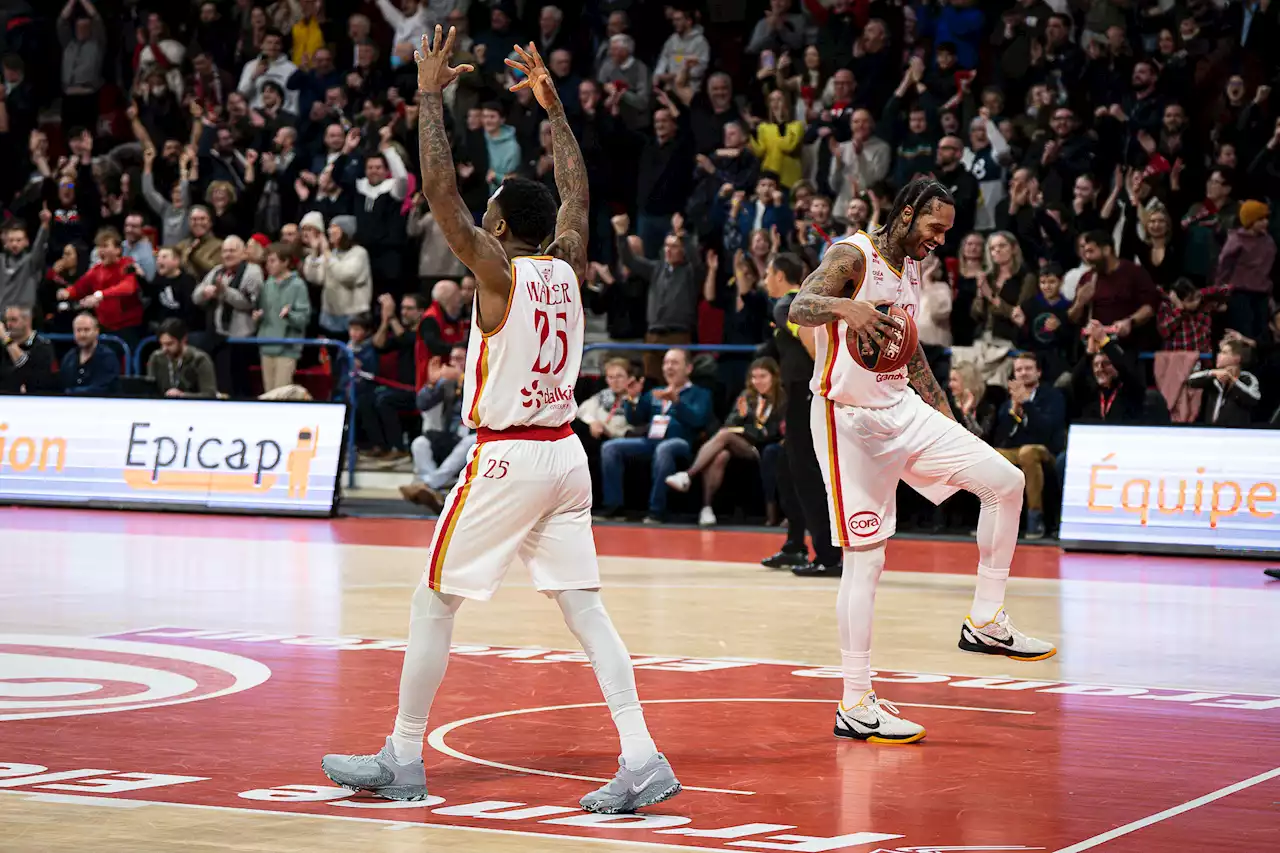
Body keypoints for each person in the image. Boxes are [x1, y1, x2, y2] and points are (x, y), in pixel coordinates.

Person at [322, 32, 679, 815]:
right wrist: (556, 115)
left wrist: (426, 100)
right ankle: (642, 756)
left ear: (504, 228)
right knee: (586, 610)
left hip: (510, 458)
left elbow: (442, 197)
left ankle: (403, 757)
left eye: (489, 215)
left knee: (431, 601)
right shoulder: (568, 260)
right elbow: (576, 199)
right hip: (564, 456)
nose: (476, 220)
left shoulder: (500, 270)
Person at [787, 176, 1056, 744]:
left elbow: (911, 359)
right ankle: (855, 700)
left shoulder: (911, 266)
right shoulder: (851, 255)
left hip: (901, 408)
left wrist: (949, 419)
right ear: (906, 214)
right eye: (934, 227)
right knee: (867, 561)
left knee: (1005, 482)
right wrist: (846, 308)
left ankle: (985, 619)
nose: (940, 239)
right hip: (848, 423)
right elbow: (801, 304)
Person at [759, 253, 843, 575]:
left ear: (780, 276)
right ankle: (795, 545)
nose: (765, 279)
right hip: (799, 395)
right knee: (786, 468)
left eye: (768, 273)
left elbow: (811, 342)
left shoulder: (786, 306)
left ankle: (827, 555)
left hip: (808, 394)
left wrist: (823, 381)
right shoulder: (799, 303)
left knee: (807, 474)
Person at [664, 357, 785, 526]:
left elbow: (770, 433)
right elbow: (730, 422)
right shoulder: (747, 395)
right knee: (720, 455)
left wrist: (747, 422)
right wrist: (740, 416)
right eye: (754, 377)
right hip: (741, 443)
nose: (757, 381)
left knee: (724, 435)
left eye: (763, 376)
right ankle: (706, 508)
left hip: (763, 448)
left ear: (774, 377)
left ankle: (688, 474)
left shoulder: (782, 400)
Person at [596, 348, 713, 522]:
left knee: (665, 449)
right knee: (610, 448)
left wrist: (677, 402)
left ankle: (656, 510)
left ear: (688, 368)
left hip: (680, 442)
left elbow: (698, 420)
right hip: (651, 441)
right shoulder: (655, 392)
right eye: (666, 363)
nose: (669, 367)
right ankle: (614, 506)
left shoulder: (700, 394)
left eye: (674, 363)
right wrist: (632, 398)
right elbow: (635, 419)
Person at [990, 353, 1066, 540]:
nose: (1023, 373)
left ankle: (1035, 518)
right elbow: (1001, 438)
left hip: (1046, 450)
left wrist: (1028, 404)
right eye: (1019, 370)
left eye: (1028, 369)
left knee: (1027, 452)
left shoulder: (1052, 396)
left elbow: (1047, 431)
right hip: (1017, 451)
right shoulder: (1009, 401)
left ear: (1038, 372)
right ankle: (997, 519)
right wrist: (1013, 411)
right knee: (994, 455)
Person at [255, 243, 312, 391]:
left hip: (287, 347)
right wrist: (258, 316)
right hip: (267, 345)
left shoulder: (298, 285)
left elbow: (304, 318)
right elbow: (263, 312)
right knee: (269, 393)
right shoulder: (267, 284)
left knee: (281, 393)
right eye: (267, 261)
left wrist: (290, 315)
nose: (268, 265)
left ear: (285, 262)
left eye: (272, 261)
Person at [146, 318, 218, 398]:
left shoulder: (200, 360)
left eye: (169, 344)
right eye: (162, 344)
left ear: (183, 340)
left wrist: (182, 396)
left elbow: (210, 395)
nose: (164, 349)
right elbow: (150, 392)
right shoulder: (156, 358)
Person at [0, 305, 57, 395]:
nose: (8, 325)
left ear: (27, 320)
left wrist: (7, 340)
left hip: (32, 402)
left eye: (13, 320)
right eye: (7, 320)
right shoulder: (3, 346)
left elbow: (27, 370)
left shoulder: (42, 346)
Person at [60, 312, 120, 396]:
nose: (82, 334)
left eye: (86, 330)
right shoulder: (69, 357)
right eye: (78, 330)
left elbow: (102, 388)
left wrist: (72, 393)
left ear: (96, 331)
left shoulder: (107, 357)